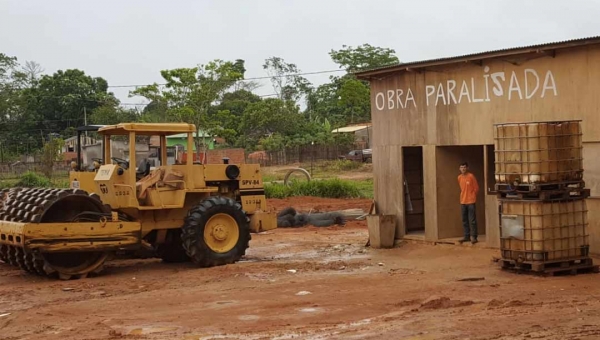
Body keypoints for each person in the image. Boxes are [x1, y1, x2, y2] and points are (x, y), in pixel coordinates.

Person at [457, 162, 479, 244]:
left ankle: (474, 237)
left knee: (472, 220)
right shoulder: (459, 177)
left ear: (467, 168)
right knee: (464, 219)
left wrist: (472, 196)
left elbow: (476, 188)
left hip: (471, 201)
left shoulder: (471, 176)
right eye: (461, 167)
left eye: (464, 167)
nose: (463, 169)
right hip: (463, 201)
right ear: (459, 169)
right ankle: (466, 236)